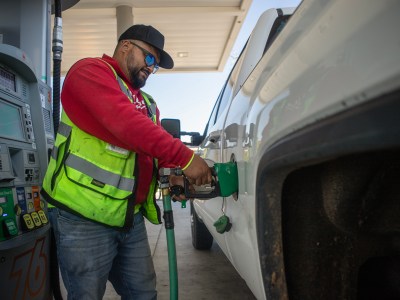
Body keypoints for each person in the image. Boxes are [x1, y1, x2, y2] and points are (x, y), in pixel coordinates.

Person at [41, 24, 212, 300]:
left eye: (155, 65)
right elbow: (125, 125)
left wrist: (172, 175)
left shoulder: (147, 103)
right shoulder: (89, 72)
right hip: (82, 216)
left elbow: (144, 155)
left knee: (143, 293)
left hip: (128, 218)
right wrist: (186, 156)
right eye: (150, 58)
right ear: (125, 47)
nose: (151, 68)